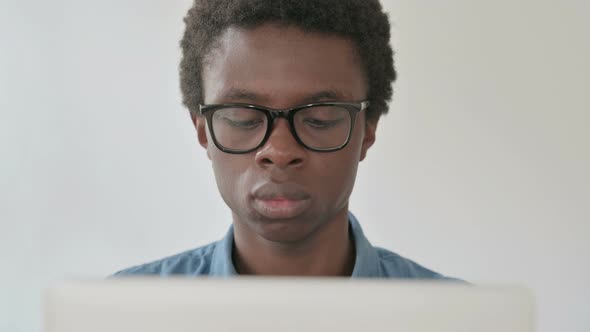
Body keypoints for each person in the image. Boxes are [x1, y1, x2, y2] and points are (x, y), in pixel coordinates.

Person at [115, 0, 459, 279]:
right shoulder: (122, 314)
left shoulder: (462, 319)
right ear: (203, 130)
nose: (279, 151)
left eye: (319, 118)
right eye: (243, 117)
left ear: (368, 129)